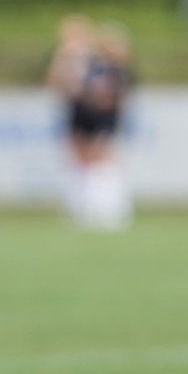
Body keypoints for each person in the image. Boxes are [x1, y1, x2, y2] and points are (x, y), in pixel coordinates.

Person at [46, 15, 134, 231]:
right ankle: (84, 209)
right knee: (80, 160)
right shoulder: (81, 61)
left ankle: (110, 209)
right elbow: (60, 85)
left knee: (102, 158)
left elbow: (116, 84)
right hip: (81, 112)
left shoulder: (109, 63)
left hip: (102, 113)